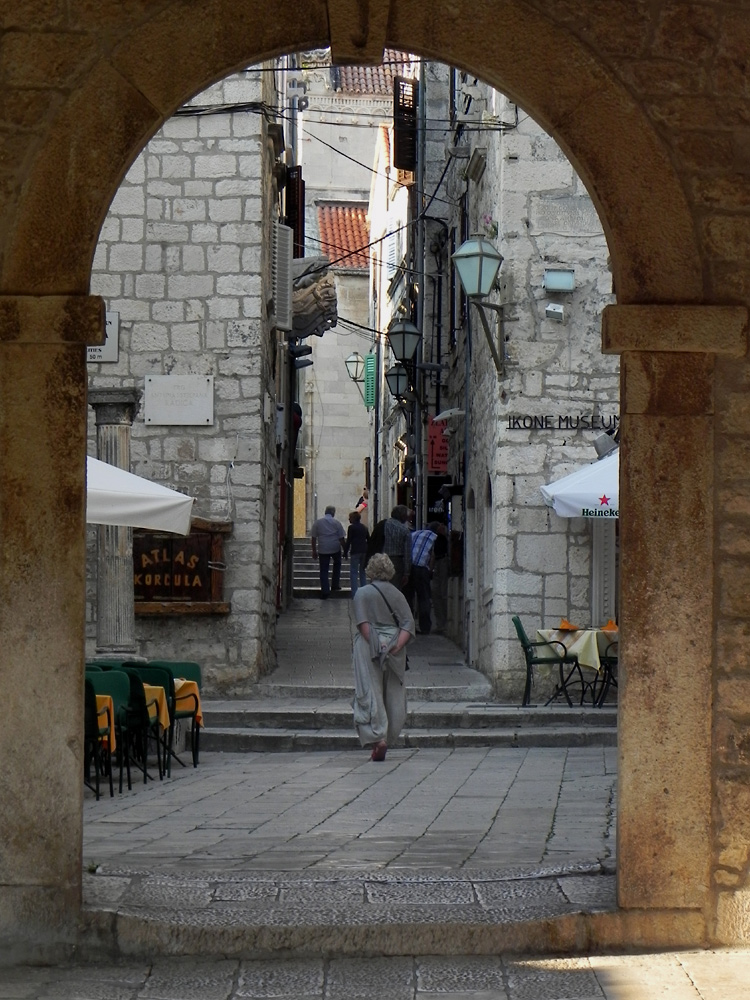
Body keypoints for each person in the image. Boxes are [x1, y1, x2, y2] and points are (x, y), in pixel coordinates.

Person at [351, 553, 415, 761]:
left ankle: (378, 737)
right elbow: (408, 623)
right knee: (394, 693)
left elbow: (363, 625)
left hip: (369, 647)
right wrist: (395, 646)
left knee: (371, 690)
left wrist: (378, 647)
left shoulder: (362, 593)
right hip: (395, 645)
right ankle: (389, 734)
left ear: (370, 570)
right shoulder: (397, 594)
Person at [366, 504, 412, 590]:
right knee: (394, 588)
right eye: (406, 515)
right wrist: (407, 573)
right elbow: (407, 554)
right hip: (397, 561)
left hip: (380, 559)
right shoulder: (405, 531)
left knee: (379, 588)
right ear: (402, 516)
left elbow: (373, 542)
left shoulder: (382, 525)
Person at [408, 522, 438, 634]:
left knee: (408, 597)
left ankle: (409, 627)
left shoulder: (415, 533)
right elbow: (433, 555)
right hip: (421, 568)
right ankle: (425, 627)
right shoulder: (434, 537)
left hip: (410, 567)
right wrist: (430, 570)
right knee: (424, 598)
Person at [310, 505, 346, 599]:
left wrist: (314, 550)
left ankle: (325, 590)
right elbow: (341, 538)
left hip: (323, 548)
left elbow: (313, 538)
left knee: (324, 570)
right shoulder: (337, 523)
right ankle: (335, 585)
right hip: (335, 547)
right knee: (337, 564)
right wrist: (345, 549)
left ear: (325, 512)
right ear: (333, 513)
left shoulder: (318, 523)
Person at [343, 509, 370, 598]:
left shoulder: (351, 528)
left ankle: (354, 593)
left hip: (355, 551)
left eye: (350, 518)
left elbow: (349, 540)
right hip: (364, 551)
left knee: (354, 572)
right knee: (362, 572)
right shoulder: (364, 527)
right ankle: (364, 592)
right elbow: (369, 540)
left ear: (353, 519)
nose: (349, 519)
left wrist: (345, 552)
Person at [430, 522, 449, 633]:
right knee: (439, 594)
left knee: (441, 594)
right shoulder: (437, 539)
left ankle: (443, 624)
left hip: (442, 563)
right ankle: (441, 624)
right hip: (439, 564)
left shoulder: (444, 539)